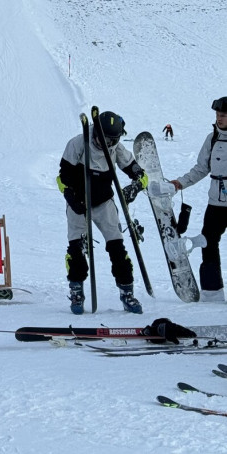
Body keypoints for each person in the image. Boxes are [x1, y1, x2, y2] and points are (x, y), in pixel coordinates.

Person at [57, 112, 148, 315]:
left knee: (117, 249)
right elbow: (62, 177)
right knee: (77, 251)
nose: (104, 144)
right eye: (101, 138)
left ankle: (127, 292)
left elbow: (141, 176)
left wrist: (134, 187)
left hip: (104, 203)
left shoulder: (116, 149)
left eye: (110, 140)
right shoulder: (78, 143)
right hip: (79, 203)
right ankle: (77, 291)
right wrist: (71, 197)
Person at [168, 97, 227, 300]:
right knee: (208, 242)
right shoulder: (212, 139)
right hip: (216, 203)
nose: (220, 119)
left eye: (224, 116)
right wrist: (180, 183)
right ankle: (212, 293)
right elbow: (201, 168)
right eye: (218, 115)